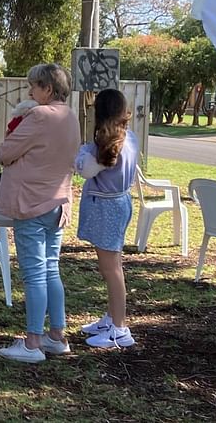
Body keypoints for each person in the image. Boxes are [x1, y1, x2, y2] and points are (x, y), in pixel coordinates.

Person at [0, 63, 81, 363]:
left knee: (33, 275)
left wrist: (17, 119)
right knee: (50, 269)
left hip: (31, 203)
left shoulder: (38, 116)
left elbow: (5, 152)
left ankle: (32, 343)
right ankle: (56, 335)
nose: (30, 91)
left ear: (47, 88)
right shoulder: (70, 117)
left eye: (34, 86)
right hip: (58, 204)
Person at [75, 88, 139, 349]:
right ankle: (112, 317)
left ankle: (119, 328)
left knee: (111, 269)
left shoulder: (107, 143)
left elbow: (85, 170)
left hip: (107, 208)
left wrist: (81, 153)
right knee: (112, 265)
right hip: (119, 204)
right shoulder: (130, 136)